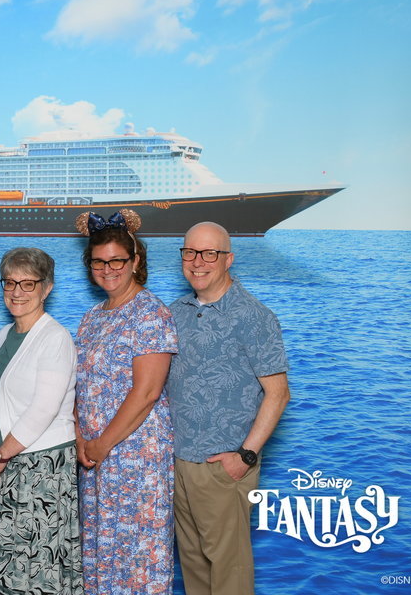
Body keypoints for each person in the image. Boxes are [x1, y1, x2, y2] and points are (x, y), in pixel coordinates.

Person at [166, 221, 290, 595]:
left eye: (209, 253)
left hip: (224, 467)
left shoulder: (254, 316)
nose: (197, 262)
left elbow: (278, 393)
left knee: (229, 574)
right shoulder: (176, 312)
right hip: (179, 463)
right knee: (194, 567)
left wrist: (245, 456)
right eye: (189, 252)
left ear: (228, 259)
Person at [74, 210, 178, 595]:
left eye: (117, 260)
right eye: (99, 262)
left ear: (135, 261)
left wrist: (101, 443)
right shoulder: (92, 318)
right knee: (102, 552)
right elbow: (80, 385)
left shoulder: (150, 313)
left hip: (135, 457)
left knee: (137, 556)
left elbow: (147, 392)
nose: (108, 269)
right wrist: (80, 437)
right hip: (95, 457)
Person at [0, 248, 82, 594]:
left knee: (36, 566)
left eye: (28, 283)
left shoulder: (55, 338)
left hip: (41, 471)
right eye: (10, 282)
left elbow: (43, 409)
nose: (17, 292)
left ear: (46, 288)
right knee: (4, 562)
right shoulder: (4, 335)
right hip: (3, 464)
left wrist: (1, 455)